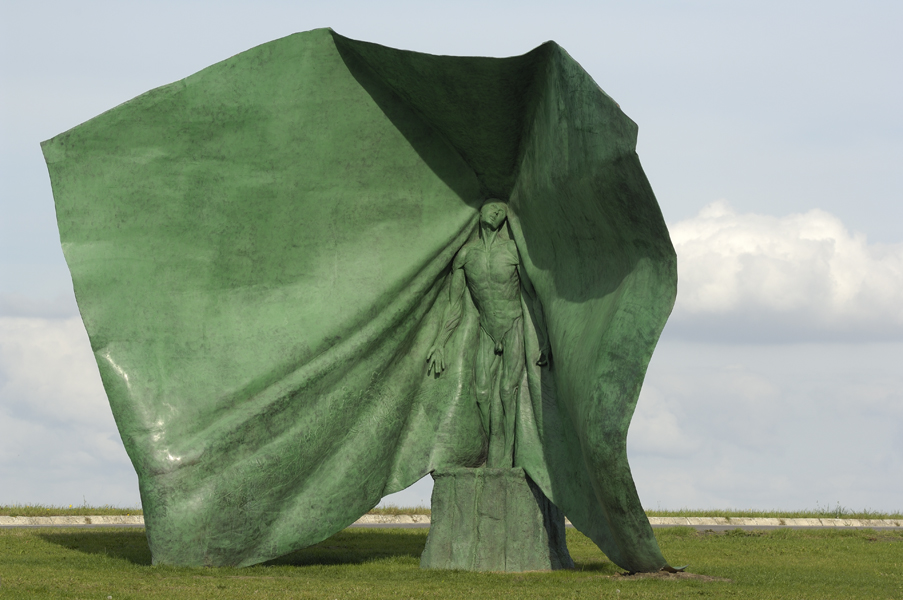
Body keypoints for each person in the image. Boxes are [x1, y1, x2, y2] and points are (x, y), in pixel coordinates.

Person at [427, 200, 550, 468]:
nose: (495, 213)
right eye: (491, 209)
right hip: (486, 329)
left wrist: (544, 338)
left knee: (507, 389)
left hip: (513, 324)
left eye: (500, 212)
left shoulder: (512, 251)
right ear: (480, 213)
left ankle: (508, 456)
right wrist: (439, 343)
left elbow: (531, 295)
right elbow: (454, 304)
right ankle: (491, 449)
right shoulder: (465, 256)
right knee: (481, 392)